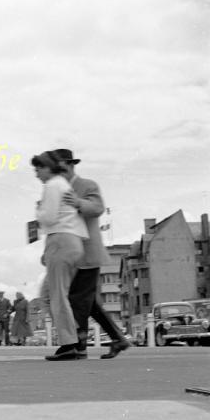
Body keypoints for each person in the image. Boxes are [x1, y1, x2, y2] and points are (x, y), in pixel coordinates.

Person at [53, 148, 134, 359]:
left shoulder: (88, 185)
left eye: (61, 168)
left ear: (71, 166)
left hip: (87, 253)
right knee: (88, 303)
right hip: (69, 255)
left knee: (78, 299)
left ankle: (78, 346)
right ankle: (118, 339)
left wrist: (78, 203)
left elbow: (97, 208)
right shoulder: (57, 189)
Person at [32, 150, 88, 361]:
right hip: (72, 241)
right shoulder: (63, 184)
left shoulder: (52, 185)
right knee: (58, 294)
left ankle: (69, 344)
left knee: (56, 295)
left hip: (60, 240)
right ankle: (73, 339)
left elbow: (48, 217)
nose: (37, 174)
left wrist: (38, 211)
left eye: (38, 169)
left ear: (47, 167)